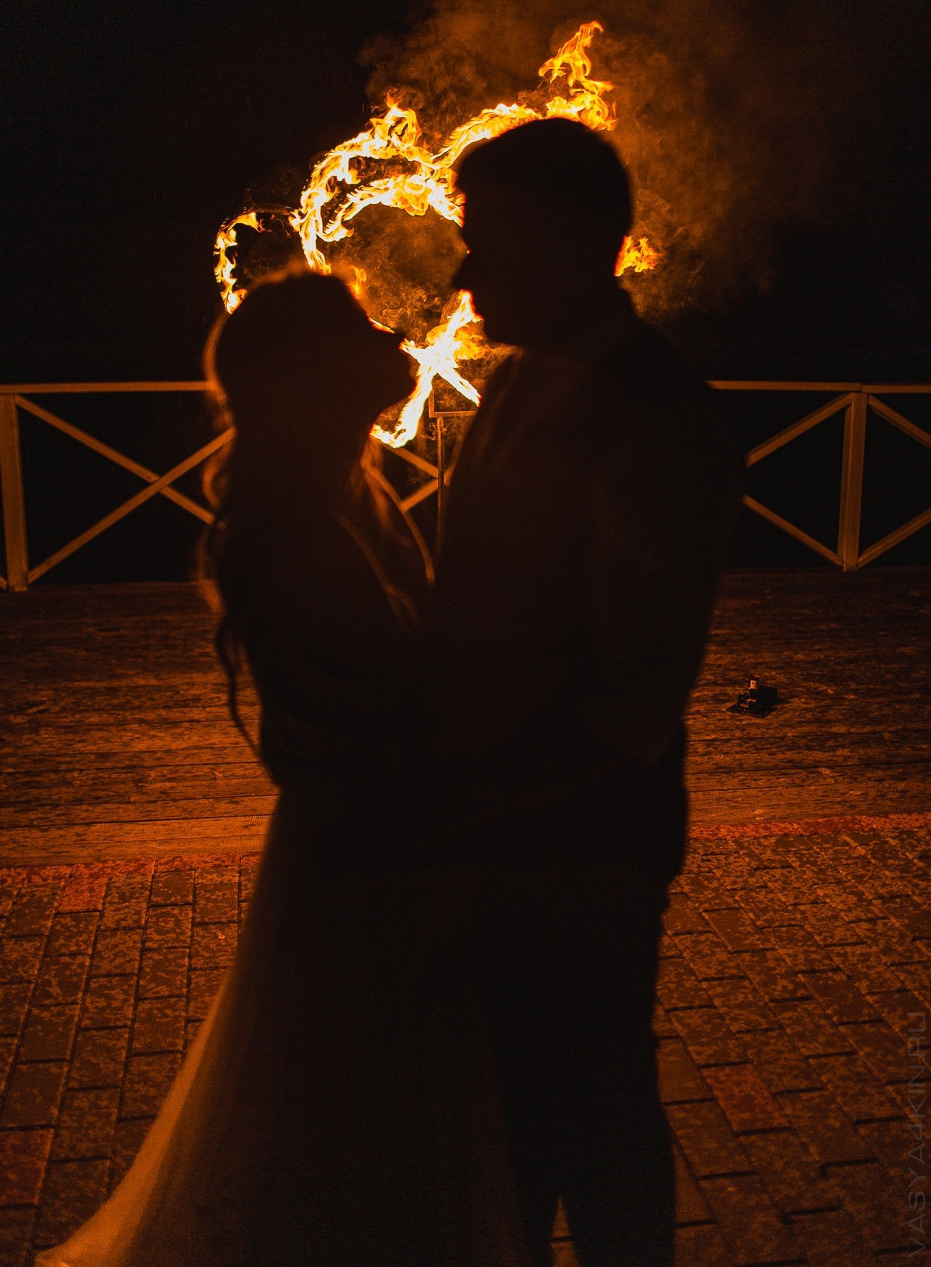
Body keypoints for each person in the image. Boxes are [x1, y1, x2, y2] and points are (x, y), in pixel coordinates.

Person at [37, 270, 529, 1267]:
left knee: (361, 1111)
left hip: (362, 838)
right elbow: (380, 708)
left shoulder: (344, 490)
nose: (389, 337)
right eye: (355, 331)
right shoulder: (303, 530)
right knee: (363, 1110)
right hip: (368, 852)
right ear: (309, 378)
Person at [421, 119, 745, 1266]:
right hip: (516, 830)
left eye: (486, 241)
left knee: (589, 1106)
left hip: (580, 842)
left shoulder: (659, 413)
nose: (463, 272)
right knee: (529, 1104)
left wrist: (460, 803)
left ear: (571, 242)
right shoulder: (514, 385)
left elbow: (633, 693)